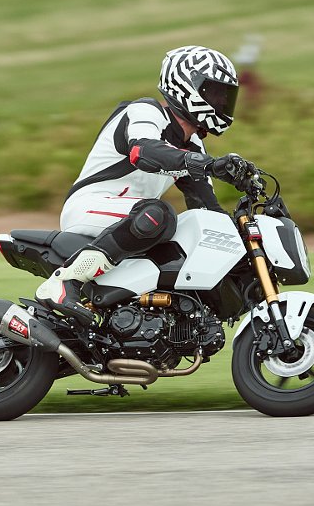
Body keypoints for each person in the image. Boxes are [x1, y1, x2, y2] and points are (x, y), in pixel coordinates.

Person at [35, 45, 258, 317]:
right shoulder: (145, 111)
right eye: (214, 92)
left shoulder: (192, 145)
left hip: (132, 217)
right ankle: (64, 282)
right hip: (90, 206)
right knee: (160, 214)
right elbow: (144, 151)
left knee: (202, 234)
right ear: (185, 85)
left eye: (226, 95)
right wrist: (208, 165)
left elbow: (207, 210)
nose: (222, 102)